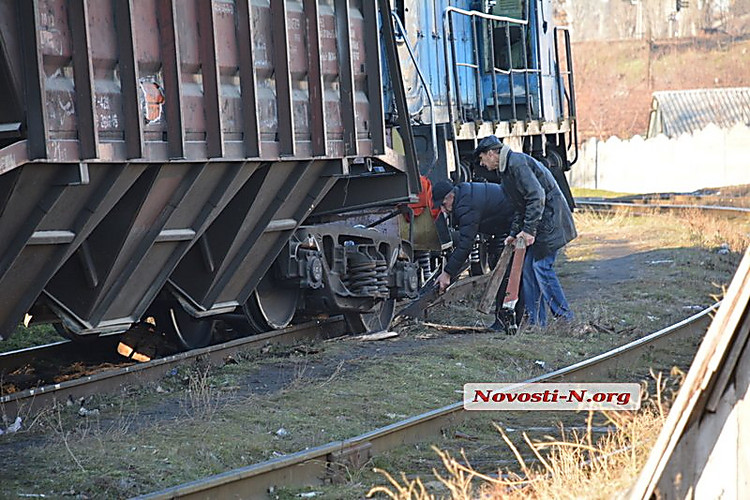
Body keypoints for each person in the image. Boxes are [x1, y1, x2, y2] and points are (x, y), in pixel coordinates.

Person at [473, 135, 577, 326]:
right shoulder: (507, 170)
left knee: (540, 266)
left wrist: (528, 230)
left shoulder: (517, 164)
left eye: (482, 158)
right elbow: (520, 207)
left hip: (551, 221)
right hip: (543, 222)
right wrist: (513, 233)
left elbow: (536, 196)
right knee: (529, 269)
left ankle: (565, 318)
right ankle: (537, 322)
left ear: (491, 153)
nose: (482, 163)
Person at [433, 180, 515, 300]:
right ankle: (504, 309)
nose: (443, 210)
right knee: (504, 272)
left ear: (450, 196)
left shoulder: (466, 205)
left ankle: (508, 309)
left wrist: (447, 273)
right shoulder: (463, 193)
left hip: (516, 223)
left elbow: (466, 244)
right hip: (506, 223)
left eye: (443, 205)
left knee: (511, 274)